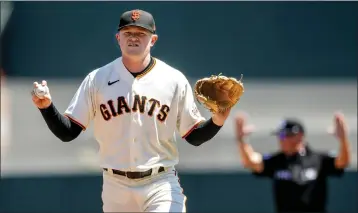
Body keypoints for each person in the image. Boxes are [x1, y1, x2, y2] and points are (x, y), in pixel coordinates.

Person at [31, 9, 231, 212]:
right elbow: (68, 132)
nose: (133, 38)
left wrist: (217, 121)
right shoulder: (97, 79)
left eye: (141, 33)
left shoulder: (173, 79)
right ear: (118, 38)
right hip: (115, 186)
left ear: (153, 40)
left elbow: (194, 136)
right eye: (128, 33)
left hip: (160, 182)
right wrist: (47, 108)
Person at [234, 112, 351, 213]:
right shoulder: (277, 160)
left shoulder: (318, 159)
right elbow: (251, 162)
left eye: (284, 135)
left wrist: (343, 139)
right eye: (279, 136)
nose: (280, 139)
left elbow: (343, 162)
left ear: (299, 136)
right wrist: (241, 140)